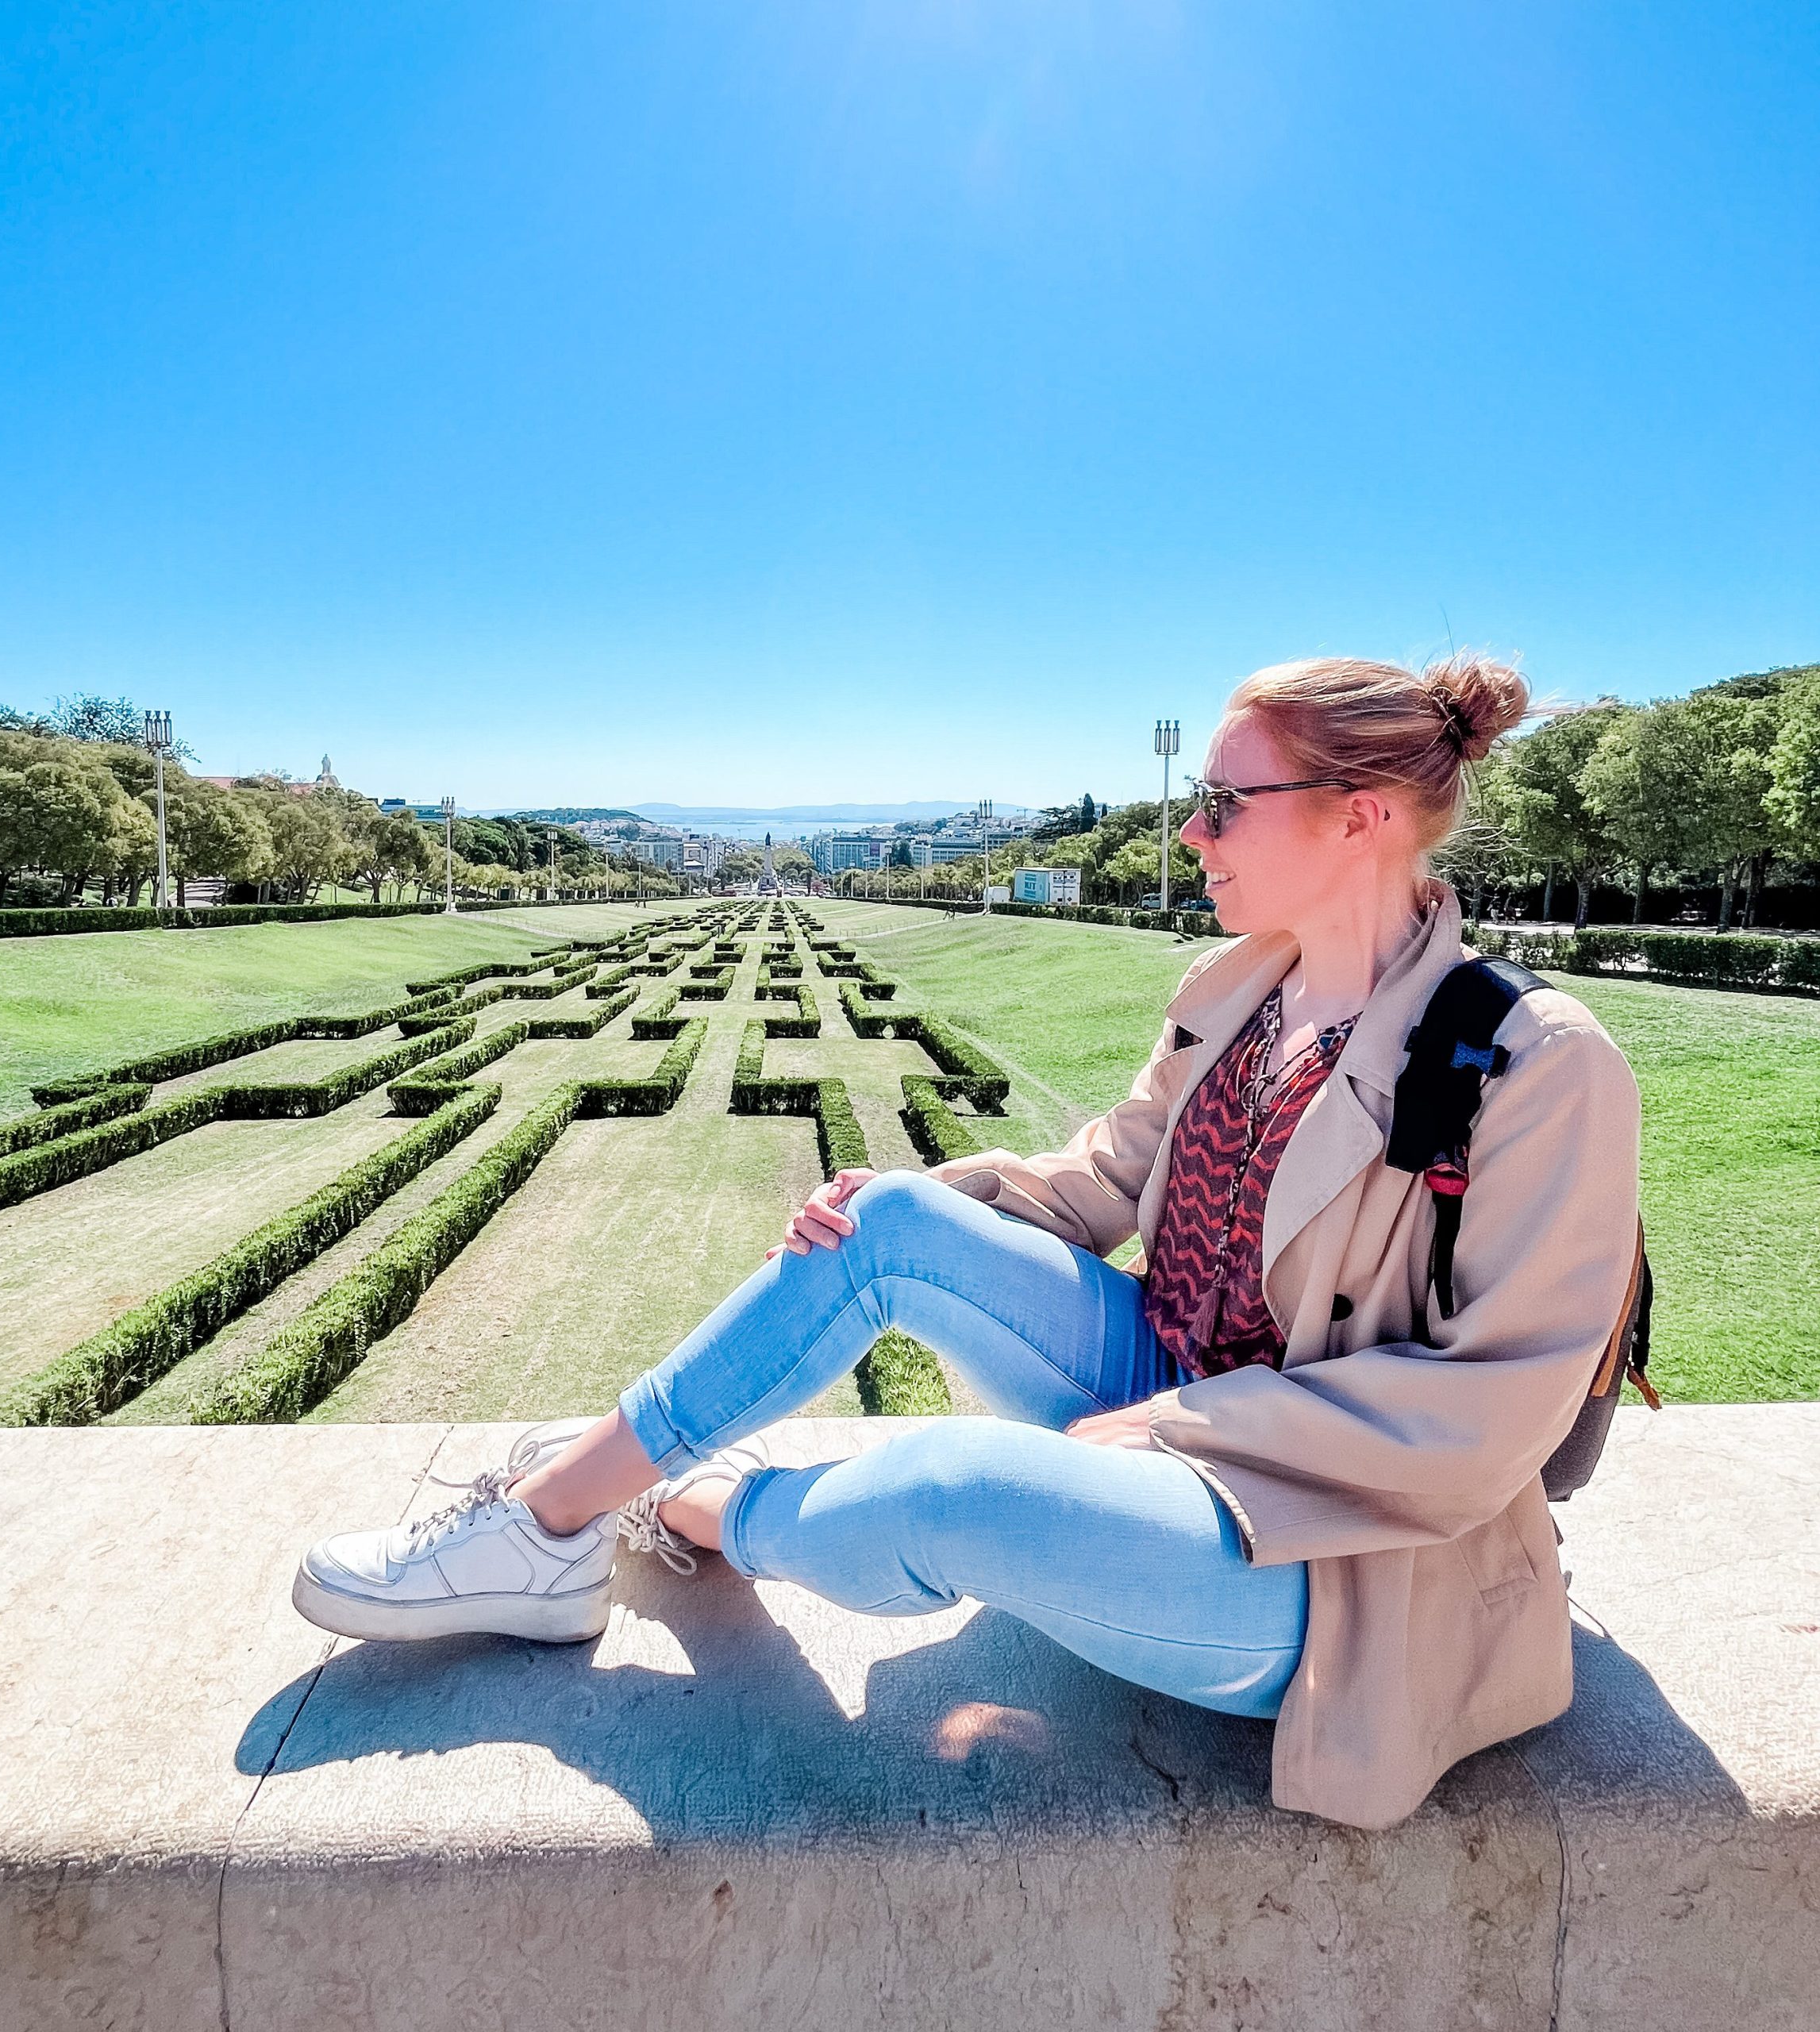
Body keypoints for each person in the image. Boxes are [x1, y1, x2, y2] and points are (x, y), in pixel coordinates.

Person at [291, 652, 1642, 1830]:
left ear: (1361, 817)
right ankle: (545, 1531)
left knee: (952, 1486)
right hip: (1169, 1387)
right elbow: (1111, 1179)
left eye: (1227, 801)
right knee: (879, 1223)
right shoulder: (1242, 987)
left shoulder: (1535, 1061)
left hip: (1345, 1547)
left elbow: (1490, 1416)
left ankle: (690, 1504)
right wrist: (921, 1206)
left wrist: (1172, 1436)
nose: (1189, 831)